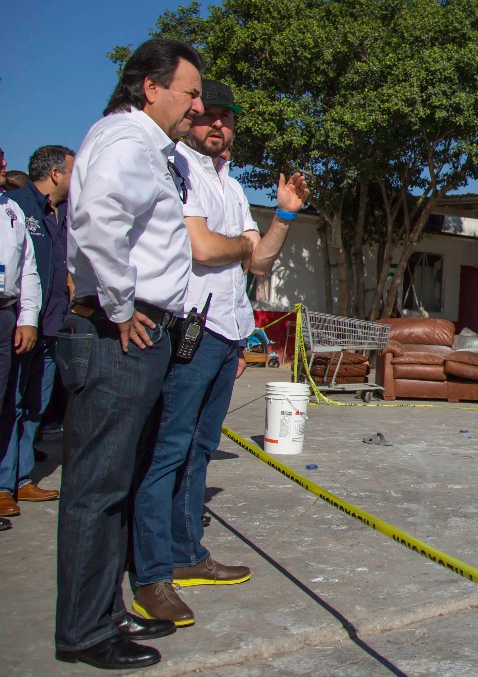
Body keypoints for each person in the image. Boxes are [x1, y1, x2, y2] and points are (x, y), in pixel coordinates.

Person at [131, 79, 309, 627]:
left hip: (227, 332)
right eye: (209, 116)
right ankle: (151, 573)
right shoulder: (176, 170)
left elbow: (257, 264)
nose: (218, 126)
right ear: (192, 117)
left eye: (227, 119)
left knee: (201, 448)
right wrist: (239, 247)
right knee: (168, 449)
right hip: (190, 330)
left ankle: (186, 554)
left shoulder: (230, 188)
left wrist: (282, 216)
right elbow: (203, 247)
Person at [55, 38, 204, 670]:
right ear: (151, 86)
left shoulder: (148, 147)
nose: (196, 105)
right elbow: (94, 220)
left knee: (117, 484)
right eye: (190, 91)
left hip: (140, 333)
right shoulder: (125, 141)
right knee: (97, 488)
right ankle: (85, 633)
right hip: (120, 335)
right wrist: (121, 307)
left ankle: (103, 610)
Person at [2, 145, 74, 511]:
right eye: (73, 173)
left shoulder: (61, 212)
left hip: (50, 325)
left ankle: (22, 477)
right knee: (9, 403)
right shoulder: (16, 205)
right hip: (19, 324)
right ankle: (2, 485)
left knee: (35, 405)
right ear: (56, 173)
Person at [0, 181, 42, 520]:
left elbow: (28, 268)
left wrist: (27, 317)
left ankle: (4, 485)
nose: (2, 165)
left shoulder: (11, 210)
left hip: (6, 313)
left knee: (6, 402)